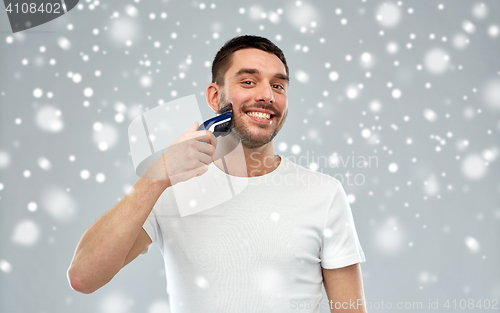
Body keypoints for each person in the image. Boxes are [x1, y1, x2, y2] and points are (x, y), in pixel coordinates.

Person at [67, 35, 367, 312]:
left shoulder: (323, 194)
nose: (267, 95)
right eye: (248, 82)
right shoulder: (169, 187)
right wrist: (157, 177)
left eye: (278, 85)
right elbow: (84, 277)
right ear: (215, 97)